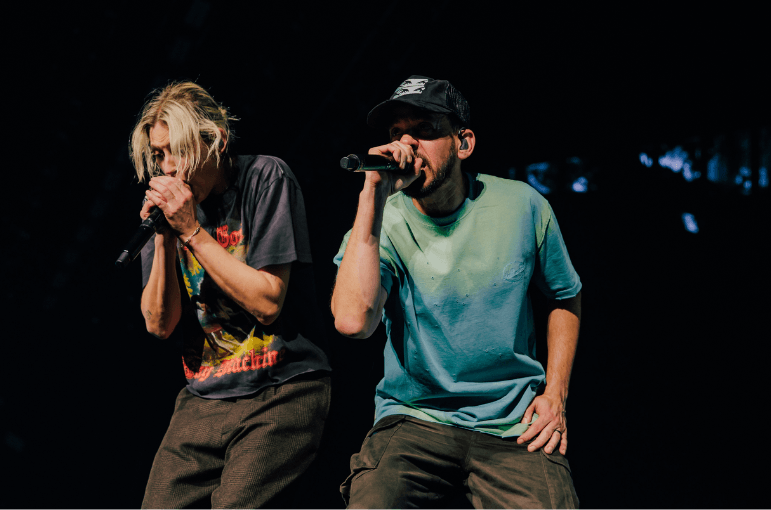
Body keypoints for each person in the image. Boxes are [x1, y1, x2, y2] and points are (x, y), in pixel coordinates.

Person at [331, 75, 582, 508]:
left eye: (424, 130)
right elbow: (353, 322)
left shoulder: (522, 205)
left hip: (512, 421)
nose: (406, 145)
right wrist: (372, 194)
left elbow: (564, 295)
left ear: (463, 143)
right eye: (397, 133)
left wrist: (555, 395)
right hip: (415, 417)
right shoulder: (381, 219)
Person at [130, 81, 331, 508]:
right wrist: (165, 239)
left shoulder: (265, 177)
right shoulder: (173, 215)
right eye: (159, 154)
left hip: (280, 387)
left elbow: (268, 302)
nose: (167, 167)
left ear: (217, 141)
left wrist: (191, 231)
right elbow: (159, 325)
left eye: (177, 150)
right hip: (203, 396)